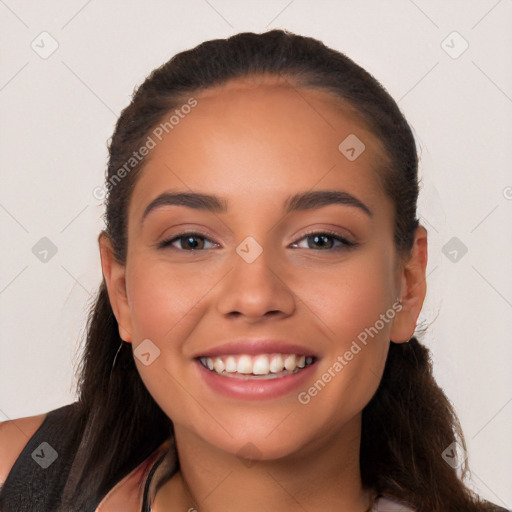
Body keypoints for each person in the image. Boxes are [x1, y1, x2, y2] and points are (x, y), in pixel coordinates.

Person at [0, 29, 508, 512]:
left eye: (321, 240)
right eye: (192, 241)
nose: (254, 294)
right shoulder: (17, 477)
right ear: (122, 289)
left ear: (407, 285)